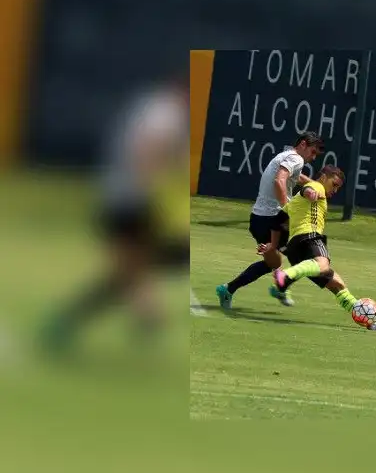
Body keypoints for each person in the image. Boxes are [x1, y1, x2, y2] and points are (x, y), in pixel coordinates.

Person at [40, 77, 190, 355]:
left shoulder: (160, 109)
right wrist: (156, 196)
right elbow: (147, 152)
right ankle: (141, 312)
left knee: (129, 273)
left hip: (127, 199)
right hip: (131, 202)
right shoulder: (166, 112)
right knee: (136, 269)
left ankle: (137, 308)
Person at [269, 165, 376, 331]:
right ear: (324, 177)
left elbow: (277, 222)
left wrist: (273, 247)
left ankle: (369, 322)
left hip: (295, 249)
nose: (336, 190)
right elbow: (309, 189)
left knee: (337, 284)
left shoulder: (295, 202)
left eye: (339, 188)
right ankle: (286, 275)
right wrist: (311, 193)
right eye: (335, 184)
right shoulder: (317, 187)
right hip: (309, 238)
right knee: (323, 265)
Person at [216, 132, 322, 309]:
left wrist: (315, 185)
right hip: (273, 220)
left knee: (272, 263)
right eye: (312, 152)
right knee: (307, 258)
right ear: (303, 144)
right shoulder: (296, 158)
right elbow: (279, 181)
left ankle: (228, 289)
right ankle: (281, 287)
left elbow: (295, 177)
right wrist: (287, 211)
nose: (313, 157)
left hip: (258, 220)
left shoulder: (286, 156)